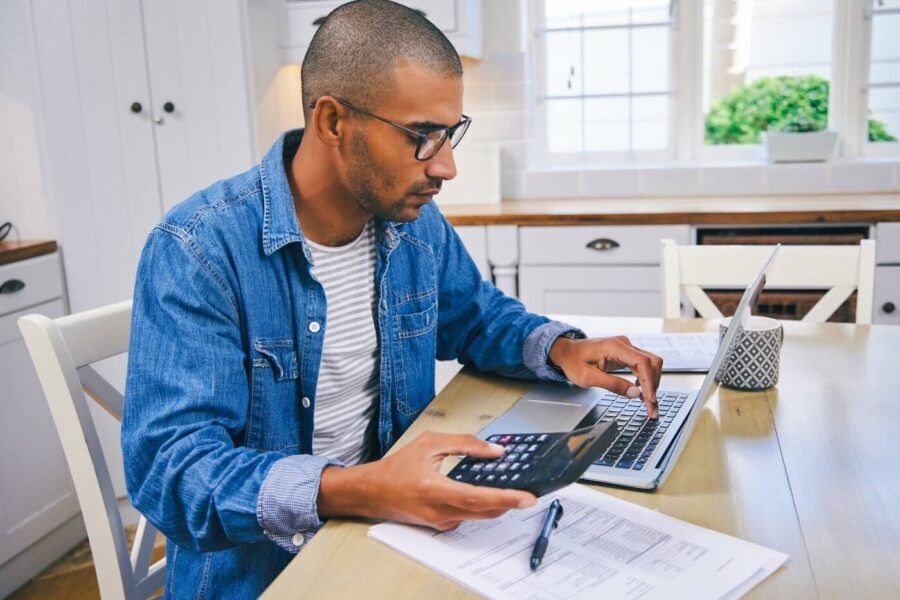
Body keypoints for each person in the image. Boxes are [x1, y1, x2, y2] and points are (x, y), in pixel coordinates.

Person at [122, 1, 662, 597]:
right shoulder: (199, 250)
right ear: (332, 122)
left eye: (450, 133)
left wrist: (561, 348)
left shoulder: (412, 225)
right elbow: (172, 472)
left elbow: (474, 316)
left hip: (394, 535)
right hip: (268, 575)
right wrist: (362, 488)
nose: (448, 166)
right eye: (423, 137)